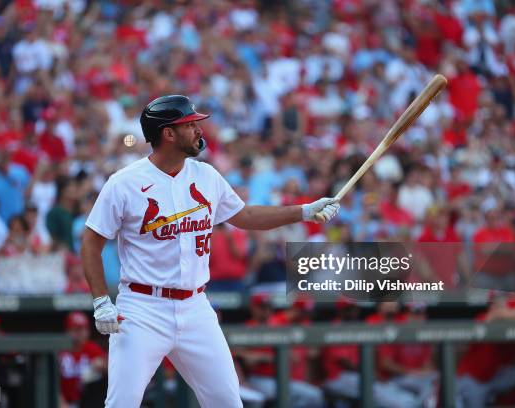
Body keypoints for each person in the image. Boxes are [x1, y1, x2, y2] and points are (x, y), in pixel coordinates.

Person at [80, 95, 340, 407]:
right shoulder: (124, 183)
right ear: (169, 133)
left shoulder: (206, 176)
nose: (199, 130)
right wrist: (100, 301)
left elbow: (245, 217)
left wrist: (304, 211)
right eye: (189, 124)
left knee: (228, 402)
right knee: (122, 403)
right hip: (142, 308)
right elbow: (91, 241)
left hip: (195, 308)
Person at [59, 311, 106, 408]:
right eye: (76, 330)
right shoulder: (61, 351)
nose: (80, 333)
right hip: (65, 402)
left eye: (84, 329)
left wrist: (101, 365)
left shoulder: (92, 348)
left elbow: (105, 365)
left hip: (87, 401)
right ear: (68, 331)